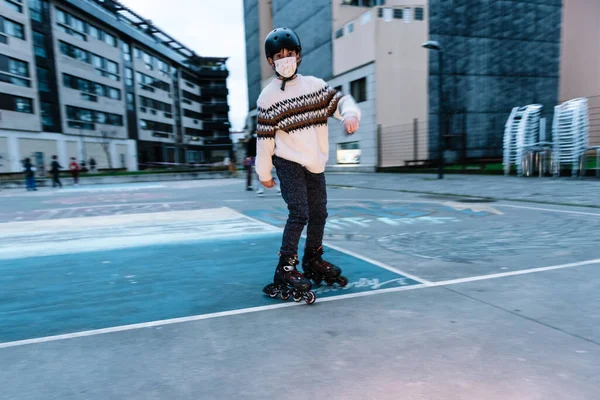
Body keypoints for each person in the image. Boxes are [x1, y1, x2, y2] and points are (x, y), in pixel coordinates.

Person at [258, 28, 361, 304]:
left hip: (314, 162)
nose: (285, 60)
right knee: (299, 212)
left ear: (298, 56)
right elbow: (265, 139)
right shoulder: (267, 98)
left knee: (319, 213)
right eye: (278, 56)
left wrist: (349, 114)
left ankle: (313, 258)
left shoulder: (315, 86)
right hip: (287, 161)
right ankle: (285, 268)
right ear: (271, 61)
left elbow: (342, 101)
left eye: (289, 54)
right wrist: (264, 171)